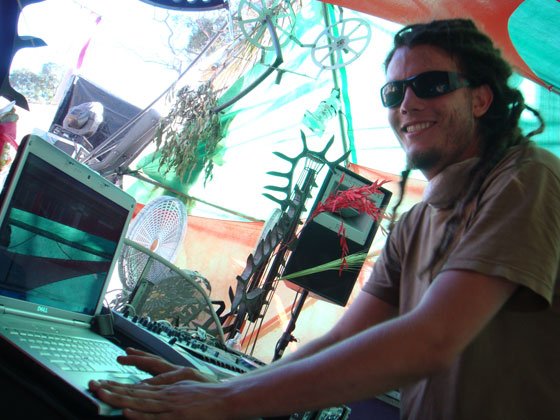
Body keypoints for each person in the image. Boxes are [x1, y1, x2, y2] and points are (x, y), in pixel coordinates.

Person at [89, 19, 560, 419]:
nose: (407, 103)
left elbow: (432, 340)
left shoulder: (526, 177)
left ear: (480, 99)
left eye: (431, 84)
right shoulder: (415, 223)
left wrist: (227, 400)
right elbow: (342, 338)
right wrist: (222, 382)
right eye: (394, 91)